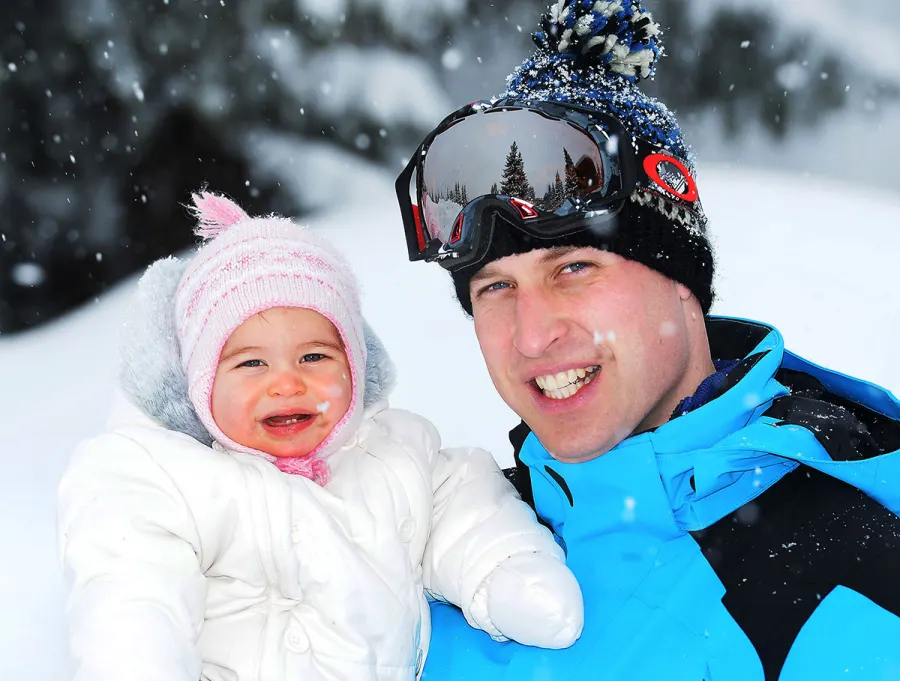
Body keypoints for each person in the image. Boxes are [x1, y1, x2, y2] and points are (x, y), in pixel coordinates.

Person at [396, 1, 900, 679]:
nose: (534, 334)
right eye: (495, 289)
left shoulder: (853, 577)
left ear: (679, 282)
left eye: (574, 269)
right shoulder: (442, 551)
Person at [56, 192, 584, 681]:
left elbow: (465, 507)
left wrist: (506, 571)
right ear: (201, 384)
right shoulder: (172, 480)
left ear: (355, 367)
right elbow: (133, 599)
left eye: (314, 356)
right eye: (251, 363)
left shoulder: (395, 454)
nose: (287, 382)